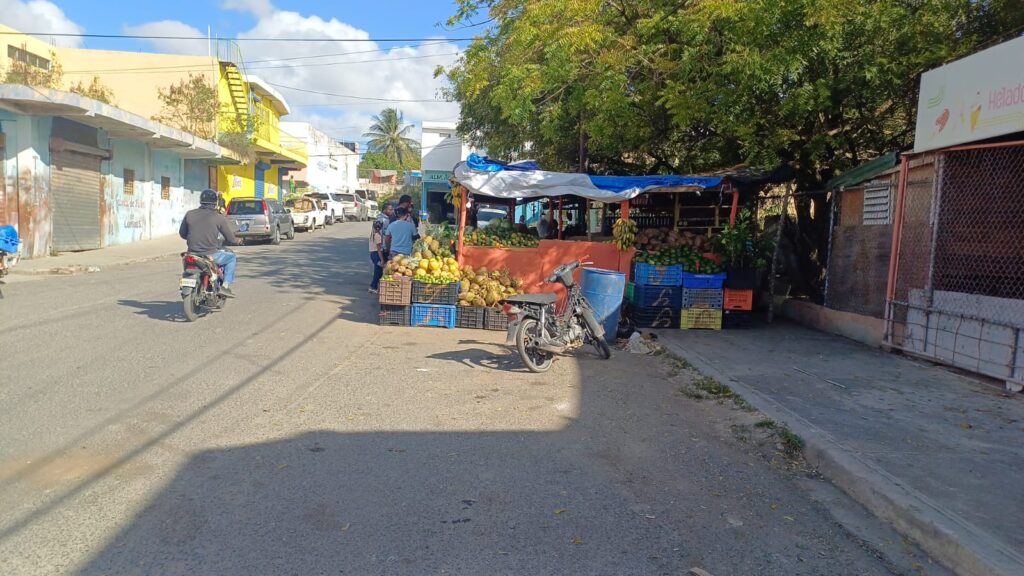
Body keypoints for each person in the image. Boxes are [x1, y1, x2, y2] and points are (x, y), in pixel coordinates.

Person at [179, 189, 243, 297]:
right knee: (231, 257)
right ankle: (225, 286)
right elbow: (230, 238)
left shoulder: (189, 214)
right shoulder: (218, 218)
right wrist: (238, 240)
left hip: (192, 253)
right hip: (210, 254)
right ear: (215, 203)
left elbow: (182, 233)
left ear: (201, 201)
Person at [368, 219, 385, 293]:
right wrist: (382, 260)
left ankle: (375, 286)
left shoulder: (373, 234)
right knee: (378, 272)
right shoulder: (378, 235)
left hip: (373, 254)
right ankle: (373, 286)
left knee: (378, 271)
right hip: (376, 254)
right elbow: (379, 249)